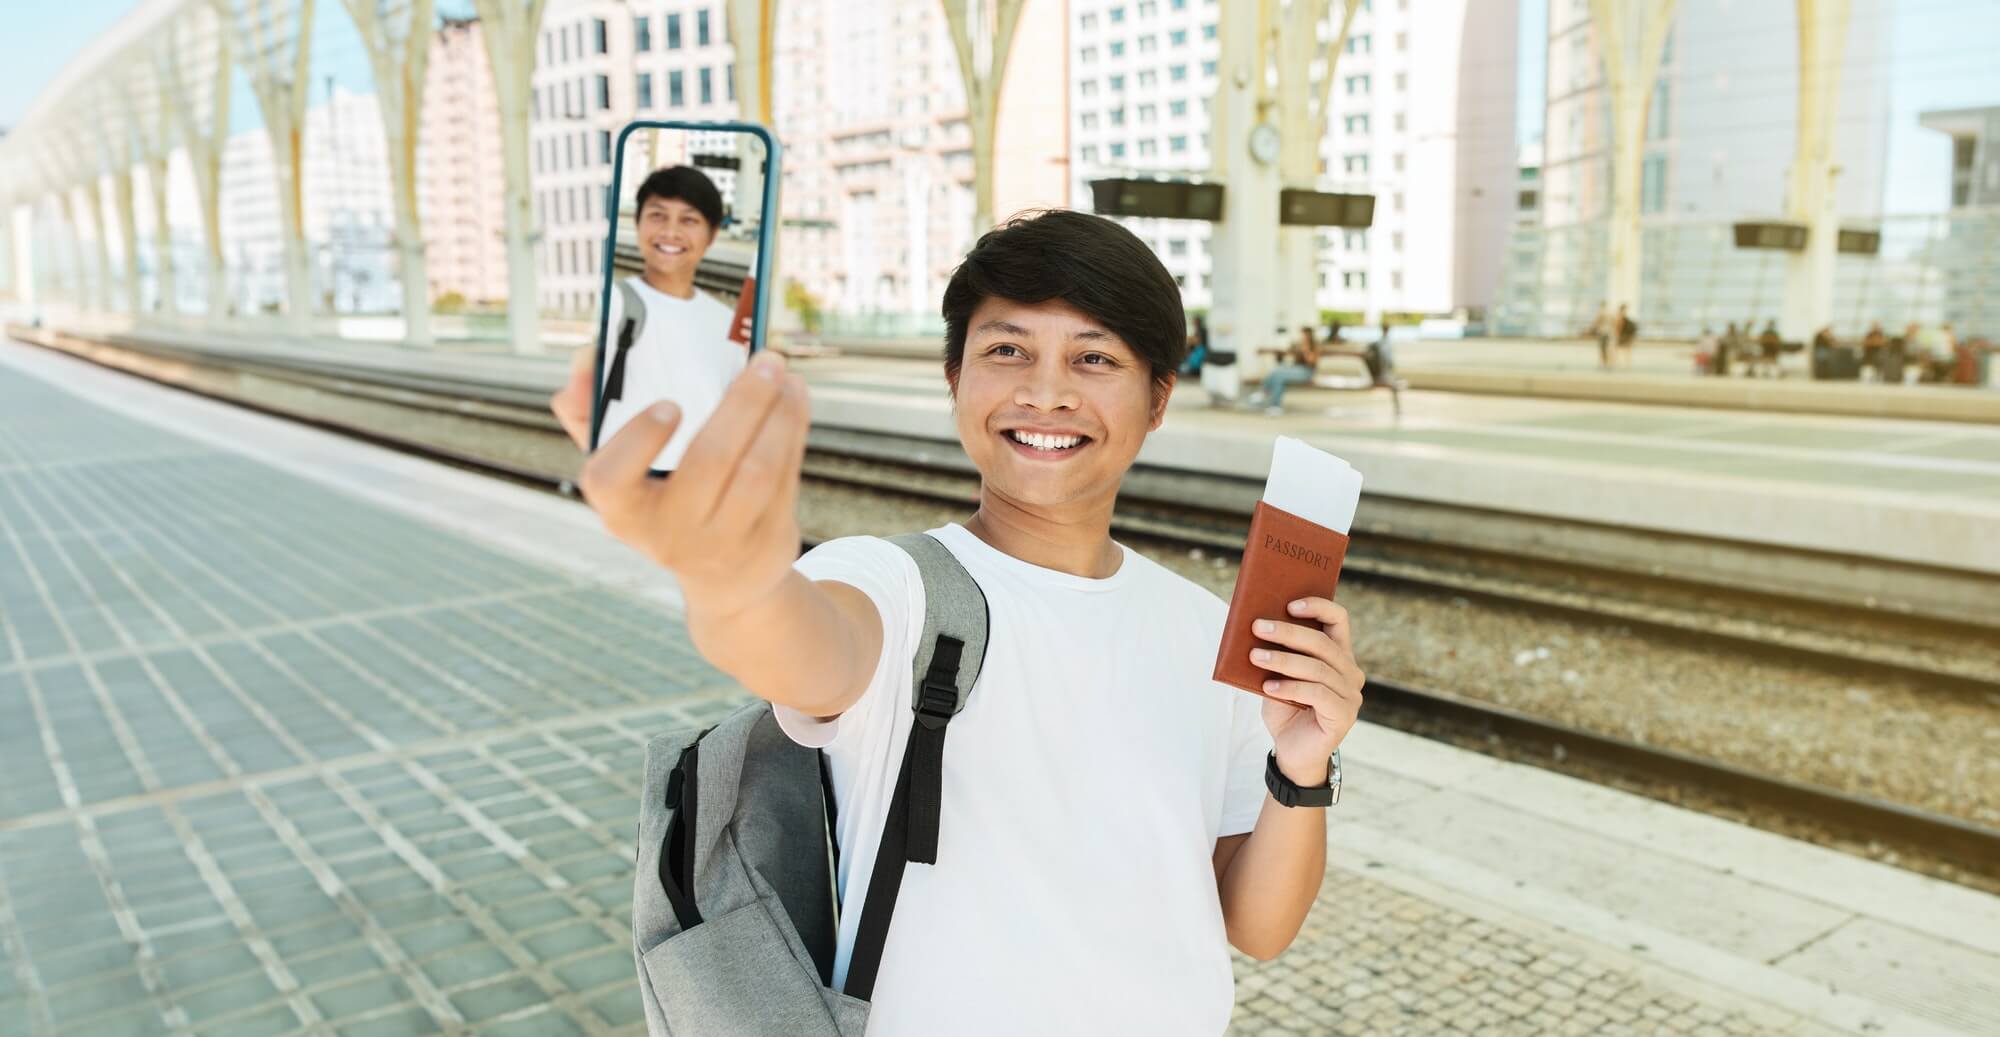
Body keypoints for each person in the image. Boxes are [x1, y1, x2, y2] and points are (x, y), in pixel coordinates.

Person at [549, 209, 1361, 1034]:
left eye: (1094, 357)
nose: (1046, 391)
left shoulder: (1206, 629)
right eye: (1007, 350)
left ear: (1158, 399)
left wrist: (1301, 767)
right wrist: (727, 575)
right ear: (954, 377)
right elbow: (792, 638)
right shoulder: (896, 583)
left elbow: (1256, 927)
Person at [594, 165, 747, 470]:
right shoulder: (607, 302)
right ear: (637, 224)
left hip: (701, 484)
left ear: (712, 235)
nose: (670, 232)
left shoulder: (729, 323)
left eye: (689, 220)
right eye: (657, 215)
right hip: (628, 479)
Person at [1258, 325, 1323, 415]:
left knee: (1279, 374)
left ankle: (1265, 394)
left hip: (1307, 372)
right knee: (1278, 374)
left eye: (1303, 334)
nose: (1302, 336)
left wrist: (1306, 350)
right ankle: (1274, 406)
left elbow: (1311, 362)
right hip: (1297, 369)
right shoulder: (1298, 344)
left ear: (1308, 335)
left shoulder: (1314, 346)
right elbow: (1290, 357)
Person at [1614, 304, 1637, 369]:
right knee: (1626, 350)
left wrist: (1617, 334)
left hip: (1622, 335)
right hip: (1626, 335)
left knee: (1618, 349)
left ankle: (1619, 362)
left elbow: (1618, 327)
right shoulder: (1624, 317)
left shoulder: (1620, 317)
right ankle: (1627, 363)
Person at [1590, 302, 1612, 369]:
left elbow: (1596, 323)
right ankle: (1607, 363)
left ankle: (1603, 363)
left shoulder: (1601, 313)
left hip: (1602, 333)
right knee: (1606, 349)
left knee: (1602, 349)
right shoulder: (1609, 314)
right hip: (1608, 333)